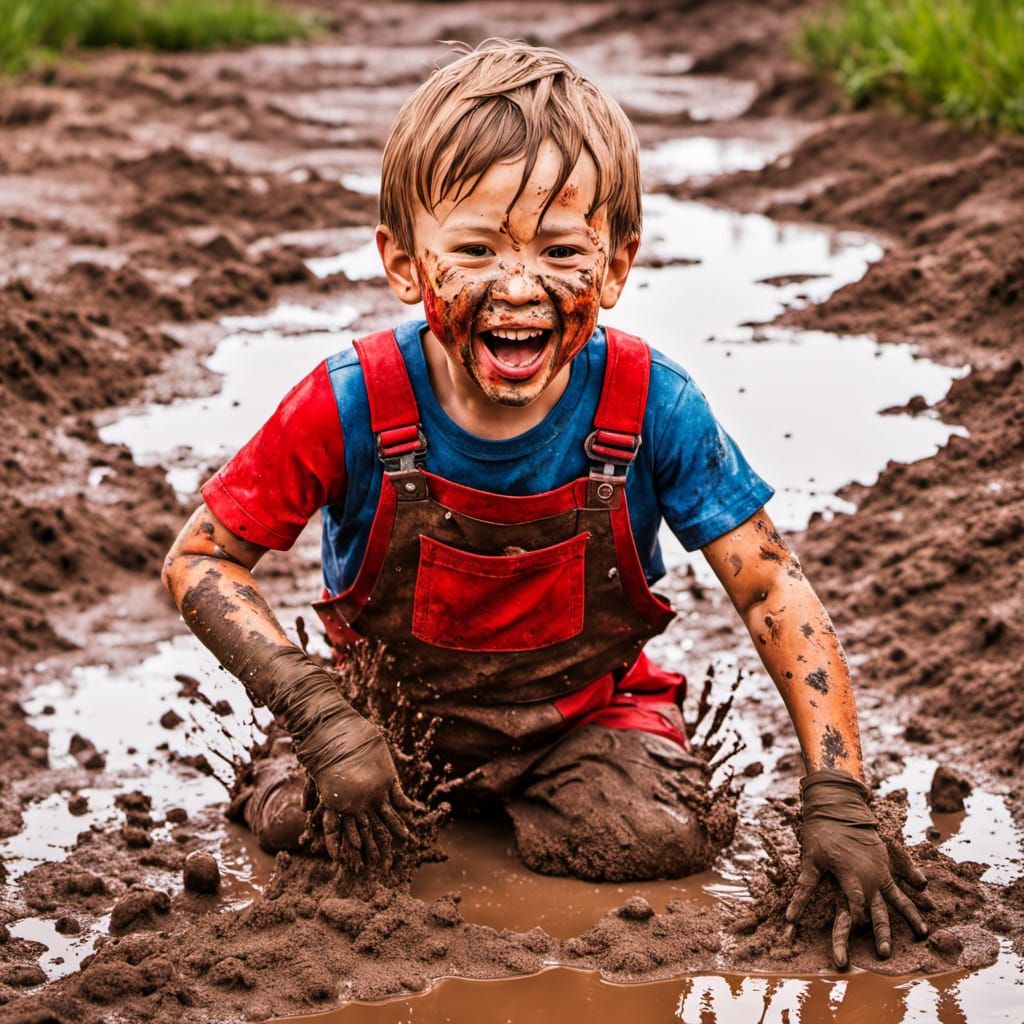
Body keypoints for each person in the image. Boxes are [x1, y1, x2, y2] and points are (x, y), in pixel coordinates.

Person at [162, 39, 928, 967]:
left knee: (653, 841)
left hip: (583, 717)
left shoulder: (652, 404)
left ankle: (573, 788)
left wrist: (839, 795)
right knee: (298, 825)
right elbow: (201, 559)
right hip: (384, 722)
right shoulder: (351, 399)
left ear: (614, 267)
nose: (518, 287)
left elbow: (771, 590)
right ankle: (350, 762)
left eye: (561, 251)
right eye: (477, 248)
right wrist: (321, 716)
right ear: (405, 265)